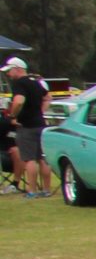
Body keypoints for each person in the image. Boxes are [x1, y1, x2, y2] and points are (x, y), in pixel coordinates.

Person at [5, 57, 50, 198]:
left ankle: (32, 191)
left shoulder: (19, 83)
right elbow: (48, 96)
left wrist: (13, 116)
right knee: (42, 158)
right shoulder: (35, 83)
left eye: (9, 71)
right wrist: (41, 111)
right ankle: (46, 190)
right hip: (40, 124)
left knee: (30, 159)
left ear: (17, 69)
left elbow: (19, 101)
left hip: (27, 126)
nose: (8, 74)